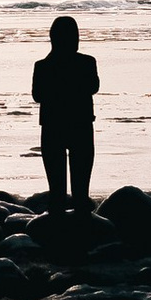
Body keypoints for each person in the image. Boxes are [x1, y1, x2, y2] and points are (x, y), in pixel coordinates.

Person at [32, 14, 100, 219]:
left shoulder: (43, 66)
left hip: (53, 127)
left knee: (57, 192)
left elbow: (38, 96)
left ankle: (57, 232)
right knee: (81, 191)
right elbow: (93, 87)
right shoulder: (87, 63)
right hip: (80, 125)